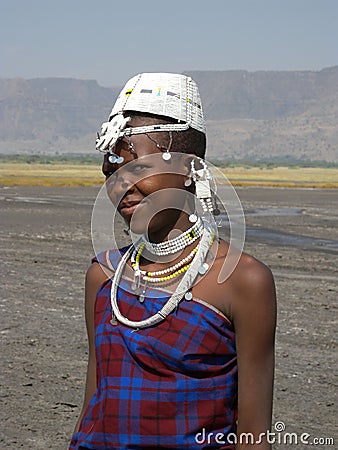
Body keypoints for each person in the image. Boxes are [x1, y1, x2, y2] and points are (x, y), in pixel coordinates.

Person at [69, 73, 276, 449]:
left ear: (189, 169)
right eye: (110, 172)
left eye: (136, 168)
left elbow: (254, 433)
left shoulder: (242, 281)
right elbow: (94, 402)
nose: (120, 184)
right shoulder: (102, 276)